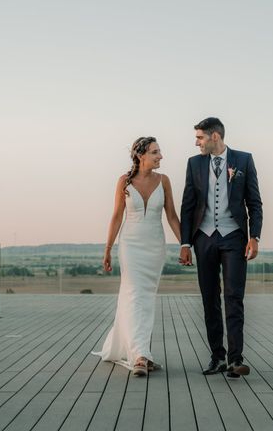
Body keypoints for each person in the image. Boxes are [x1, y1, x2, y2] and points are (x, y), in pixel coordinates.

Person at [179, 117, 263, 378]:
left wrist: (255, 237)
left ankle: (235, 359)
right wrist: (185, 242)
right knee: (209, 299)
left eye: (200, 138)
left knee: (233, 298)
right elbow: (188, 205)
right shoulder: (194, 164)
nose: (197, 143)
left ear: (215, 136)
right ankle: (217, 356)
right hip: (204, 237)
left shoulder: (244, 160)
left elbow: (255, 203)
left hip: (234, 237)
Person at [93, 137, 181, 377]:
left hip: (154, 246)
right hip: (130, 245)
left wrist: (185, 244)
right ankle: (140, 354)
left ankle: (138, 349)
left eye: (160, 151)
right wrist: (108, 248)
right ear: (141, 155)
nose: (161, 156)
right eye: (155, 152)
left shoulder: (164, 181)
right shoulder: (124, 181)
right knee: (133, 294)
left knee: (145, 297)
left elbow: (172, 215)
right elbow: (116, 216)